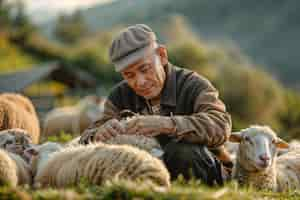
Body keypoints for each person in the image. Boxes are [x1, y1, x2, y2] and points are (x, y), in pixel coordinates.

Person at [80, 24, 232, 186]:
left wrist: (167, 124)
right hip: (146, 175)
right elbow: (85, 139)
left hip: (204, 173)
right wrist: (97, 135)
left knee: (182, 152)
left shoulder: (193, 85)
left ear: (162, 55)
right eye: (129, 75)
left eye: (145, 69)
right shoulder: (119, 96)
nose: (140, 82)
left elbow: (221, 125)